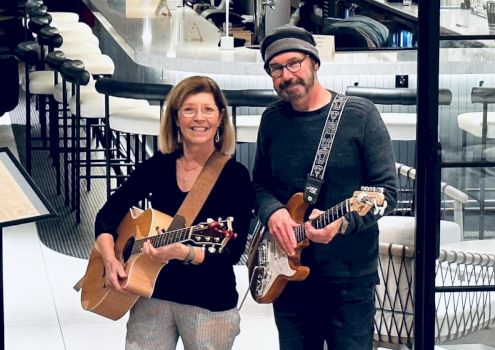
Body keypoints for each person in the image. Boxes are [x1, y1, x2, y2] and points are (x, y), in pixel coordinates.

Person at [252, 25, 397, 349]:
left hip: (348, 279)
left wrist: (344, 222)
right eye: (276, 68)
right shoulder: (272, 119)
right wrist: (273, 212)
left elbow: (386, 192)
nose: (286, 75)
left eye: (294, 63)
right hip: (287, 273)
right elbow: (259, 185)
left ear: (314, 63)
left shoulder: (360, 116)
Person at [94, 76, 253, 350]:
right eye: (189, 109)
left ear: (220, 118)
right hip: (150, 291)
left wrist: (185, 253)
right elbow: (107, 216)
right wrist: (110, 259)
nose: (198, 118)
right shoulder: (159, 165)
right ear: (176, 118)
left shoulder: (235, 176)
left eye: (208, 109)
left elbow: (233, 250)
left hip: (208, 301)